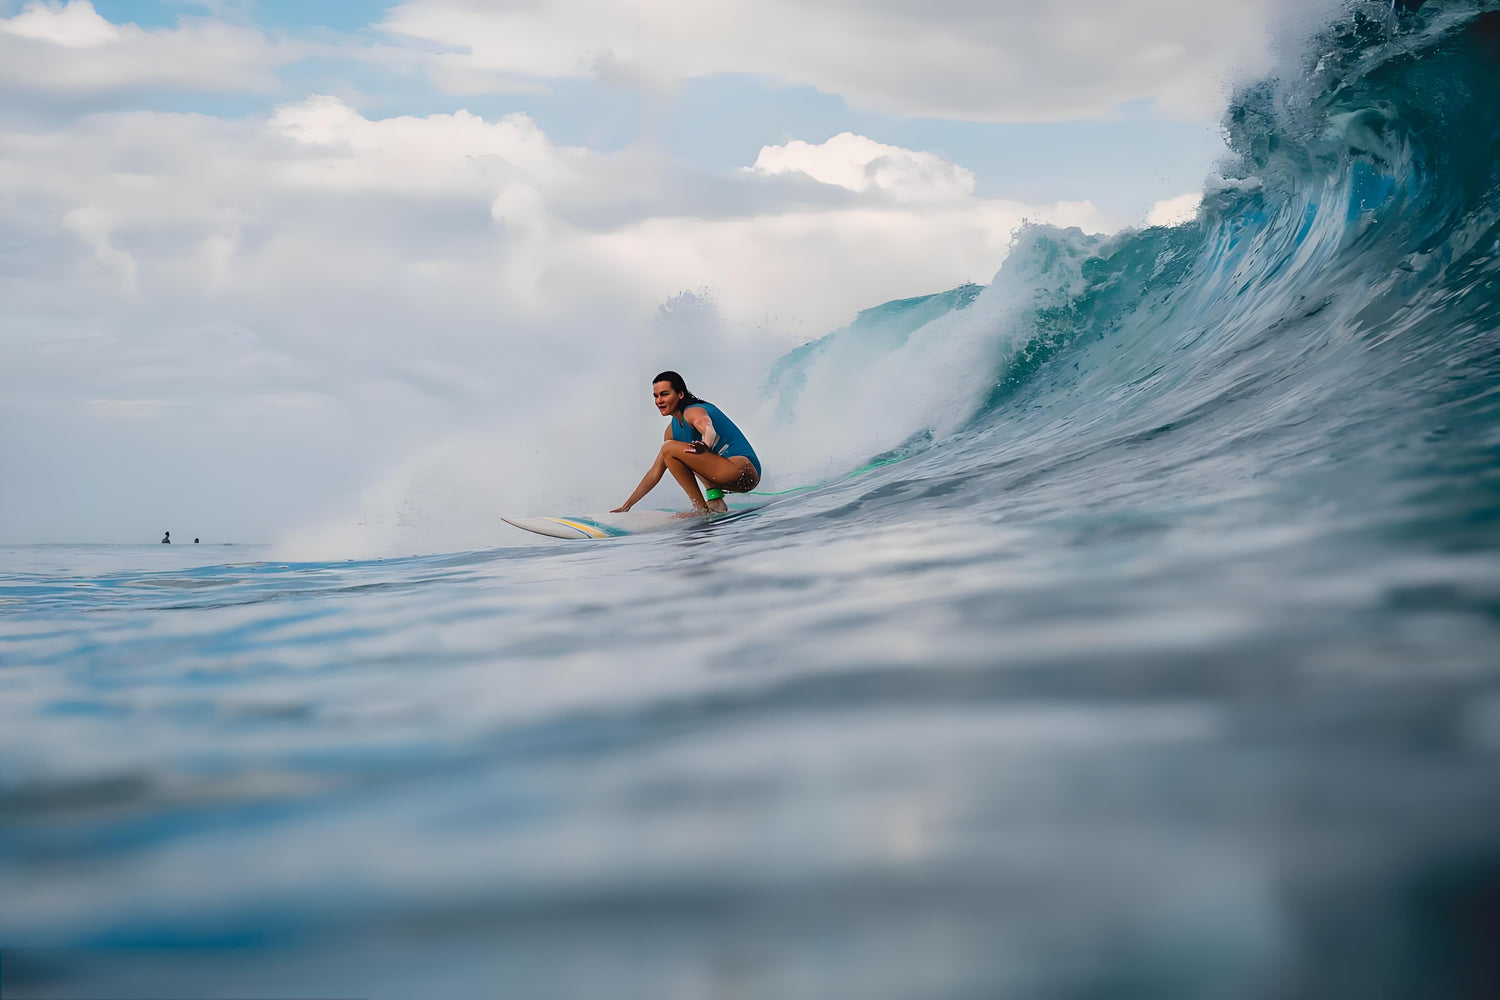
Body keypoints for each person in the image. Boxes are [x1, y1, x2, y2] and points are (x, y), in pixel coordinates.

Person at [613, 371, 761, 514]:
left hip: (742, 470)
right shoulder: (671, 431)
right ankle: (714, 501)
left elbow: (708, 429)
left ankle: (701, 509)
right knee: (673, 454)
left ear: (680, 394)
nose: (659, 400)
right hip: (727, 478)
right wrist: (627, 506)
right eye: (656, 396)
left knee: (670, 448)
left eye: (665, 394)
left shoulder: (693, 411)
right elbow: (654, 473)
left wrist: (705, 445)